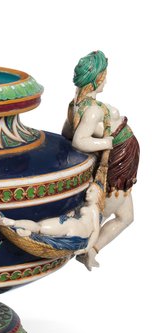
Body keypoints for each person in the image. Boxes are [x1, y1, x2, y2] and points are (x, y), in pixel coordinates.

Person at [62, 51, 140, 270]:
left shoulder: (76, 105)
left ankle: (92, 250)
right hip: (118, 160)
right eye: (104, 76)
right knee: (100, 213)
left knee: (126, 217)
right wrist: (106, 142)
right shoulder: (93, 110)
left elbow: (66, 132)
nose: (106, 80)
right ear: (96, 79)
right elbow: (78, 140)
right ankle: (81, 245)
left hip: (124, 156)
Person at [0, 182, 103, 262]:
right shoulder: (89, 208)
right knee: (42, 230)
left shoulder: (94, 208)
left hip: (73, 226)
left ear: (99, 195)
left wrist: (87, 248)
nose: (87, 192)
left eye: (91, 190)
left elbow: (96, 230)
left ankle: (14, 223)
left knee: (40, 227)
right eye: (87, 189)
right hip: (77, 233)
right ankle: (29, 234)